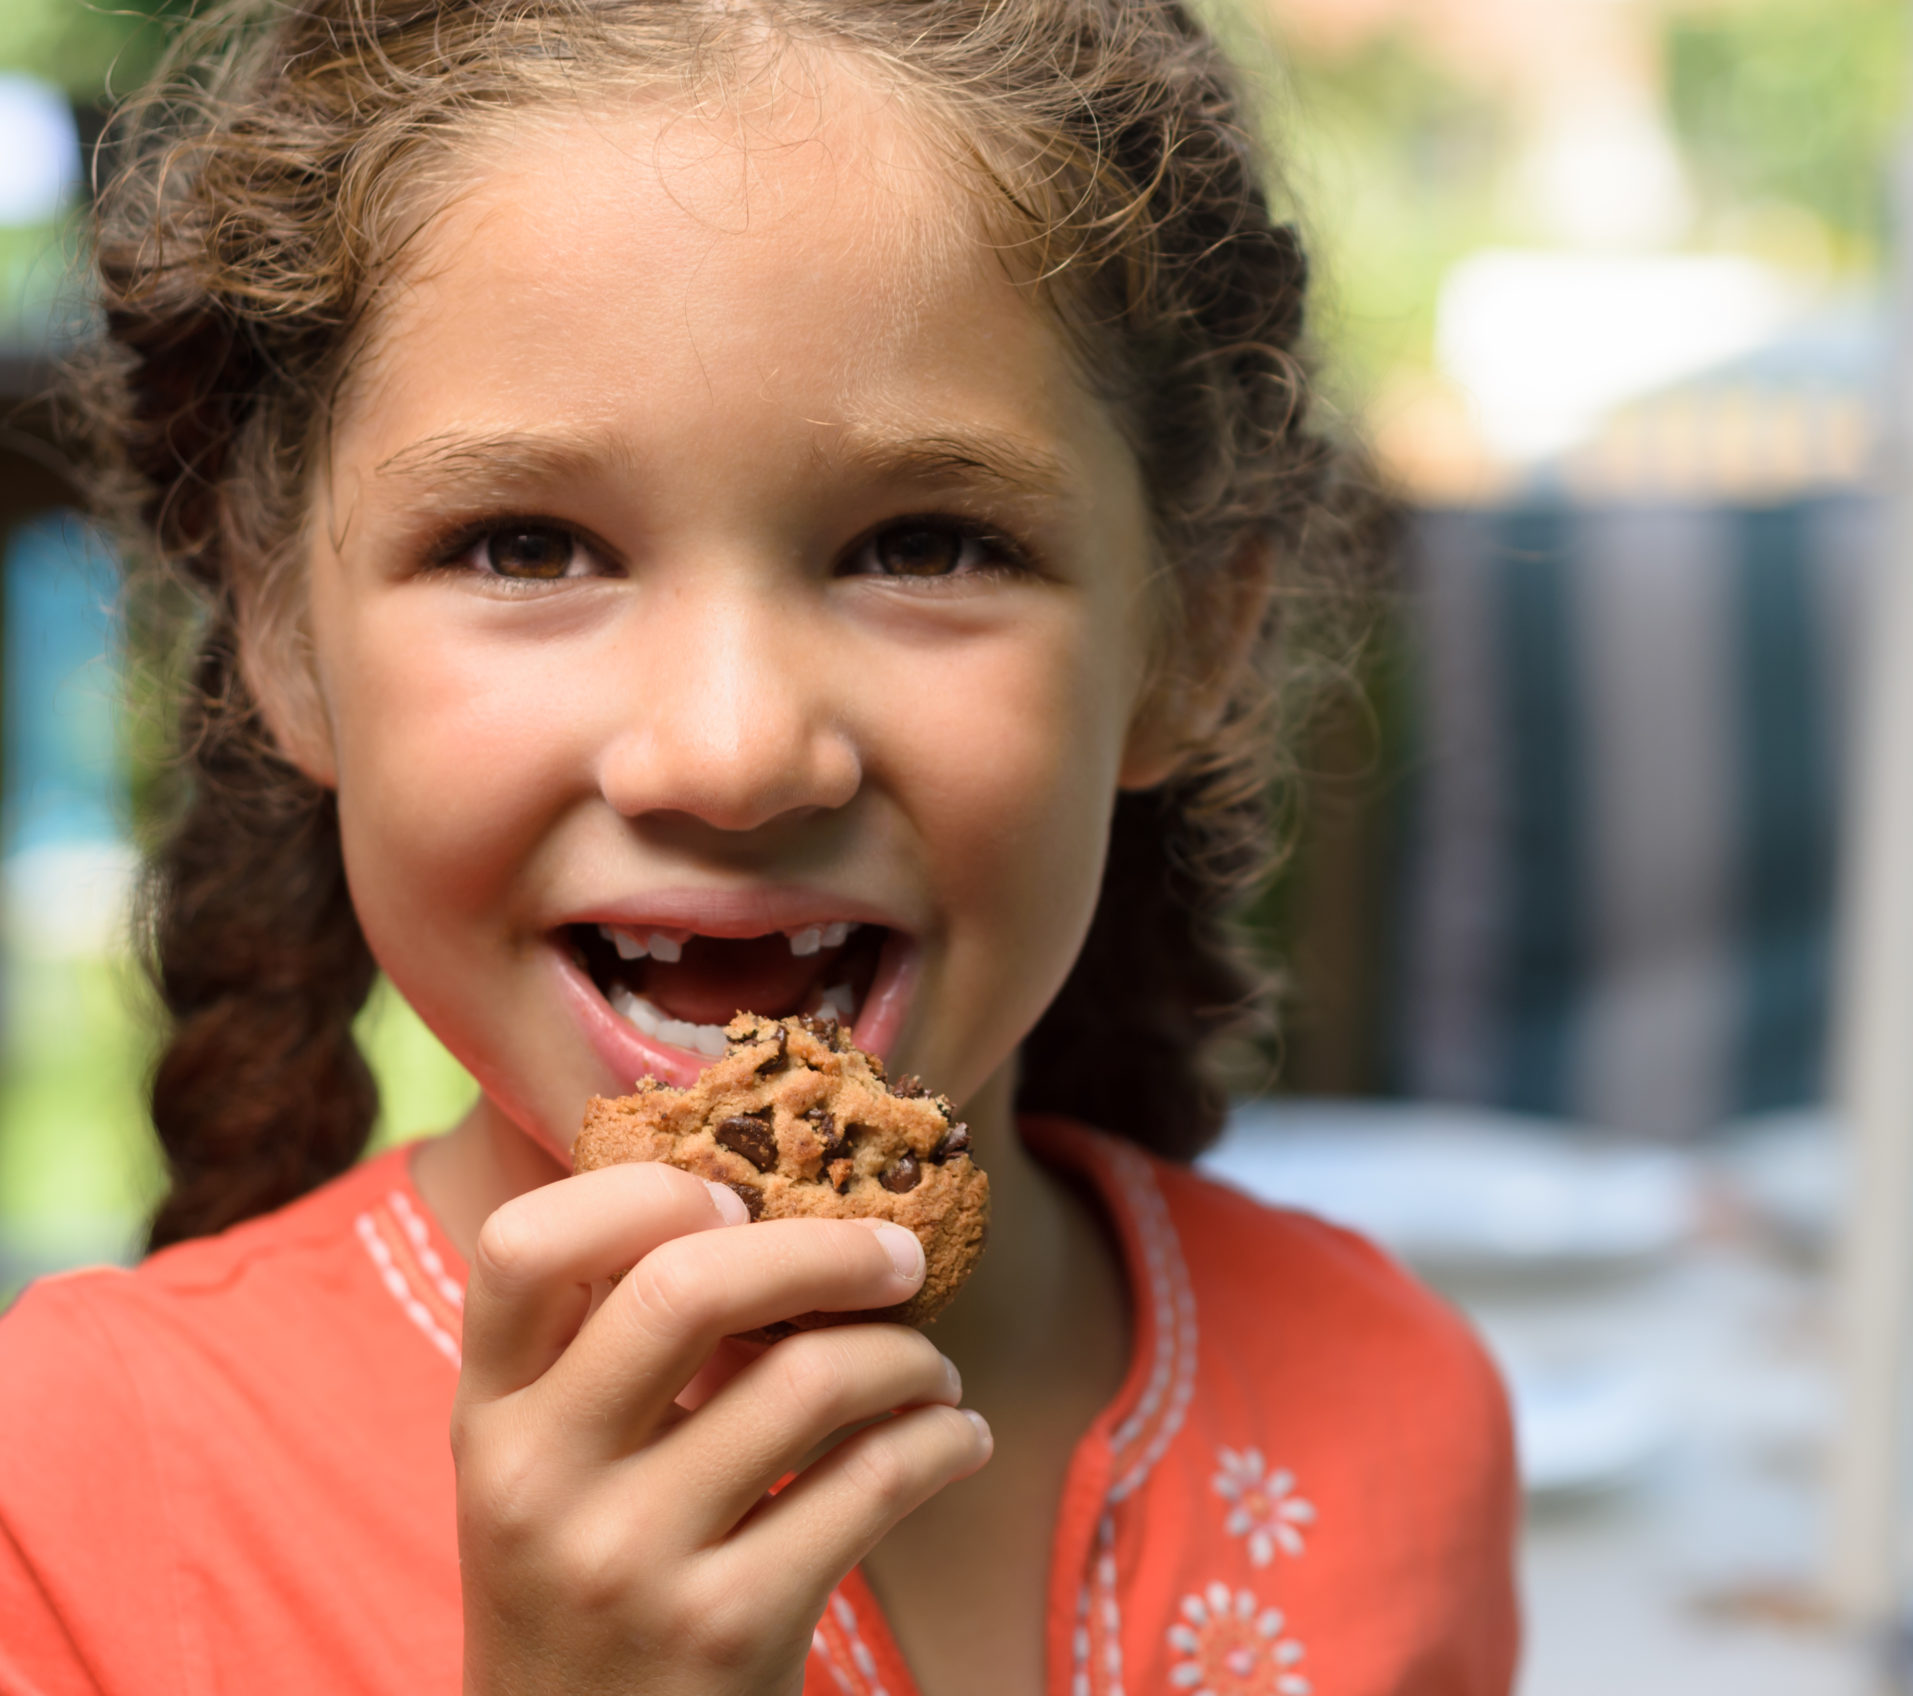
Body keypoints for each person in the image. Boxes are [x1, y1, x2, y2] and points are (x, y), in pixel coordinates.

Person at [0, 1, 1519, 1690]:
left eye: (927, 542)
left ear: (1192, 639)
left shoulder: (1397, 1404)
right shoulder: (71, 1500)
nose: (729, 754)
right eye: (524, 546)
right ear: (286, 631)